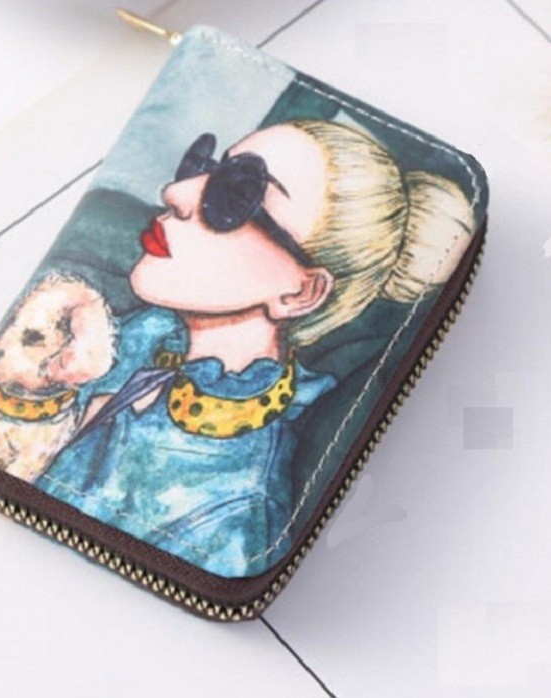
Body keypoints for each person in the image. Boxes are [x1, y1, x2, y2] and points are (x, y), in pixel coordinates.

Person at [35, 120, 474, 577]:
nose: (176, 192)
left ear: (300, 293)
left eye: (235, 195)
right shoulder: (136, 331)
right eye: (205, 167)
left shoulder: (233, 513)